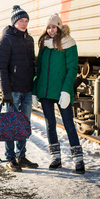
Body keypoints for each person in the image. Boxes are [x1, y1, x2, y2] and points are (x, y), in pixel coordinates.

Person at [32, 13, 85, 174]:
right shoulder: (43, 44)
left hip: (62, 91)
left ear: (59, 27)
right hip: (45, 92)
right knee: (50, 125)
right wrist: (35, 91)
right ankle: (56, 158)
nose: (51, 30)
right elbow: (39, 69)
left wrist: (66, 91)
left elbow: (72, 69)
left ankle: (78, 160)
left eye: (54, 27)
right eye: (48, 27)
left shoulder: (69, 43)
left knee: (68, 124)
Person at [0, 5, 38, 172]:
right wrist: (5, 92)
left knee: (23, 125)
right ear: (14, 22)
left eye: (26, 21)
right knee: (11, 125)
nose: (24, 23)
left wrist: (33, 88)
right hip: (13, 91)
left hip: (27, 90)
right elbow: (1, 67)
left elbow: (32, 65)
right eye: (21, 21)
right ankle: (10, 158)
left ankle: (21, 156)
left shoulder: (29, 40)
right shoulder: (6, 40)